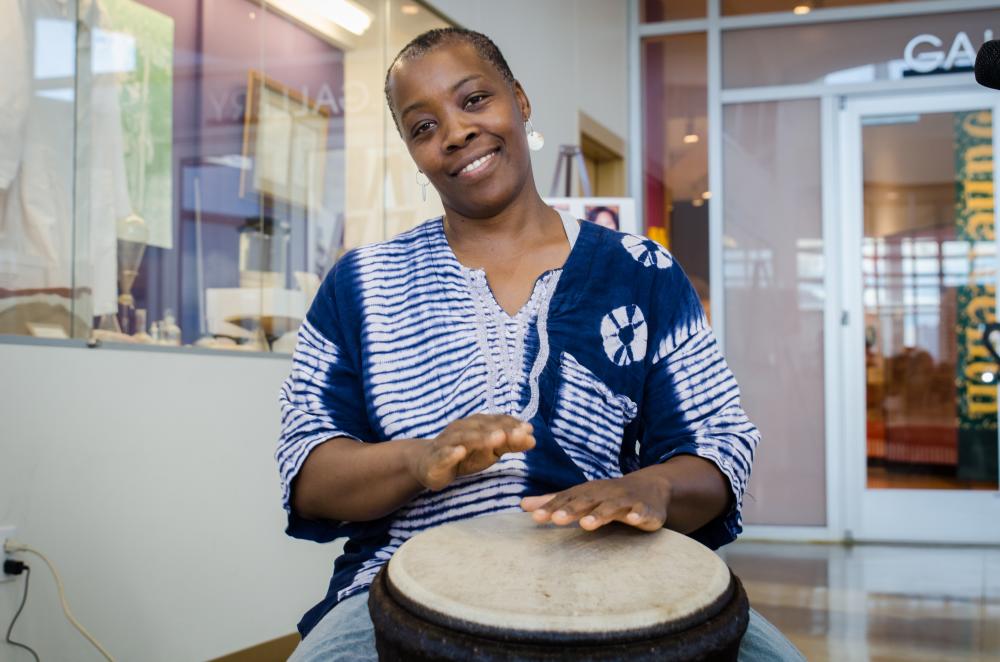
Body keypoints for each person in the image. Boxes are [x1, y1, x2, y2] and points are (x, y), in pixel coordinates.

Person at [276, 27, 803, 661]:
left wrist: (656, 487)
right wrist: (419, 459)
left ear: (519, 100)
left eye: (474, 100)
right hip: (398, 583)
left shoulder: (642, 271)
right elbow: (308, 471)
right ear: (413, 153)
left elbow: (720, 445)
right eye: (423, 127)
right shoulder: (360, 283)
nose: (456, 131)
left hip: (614, 577)